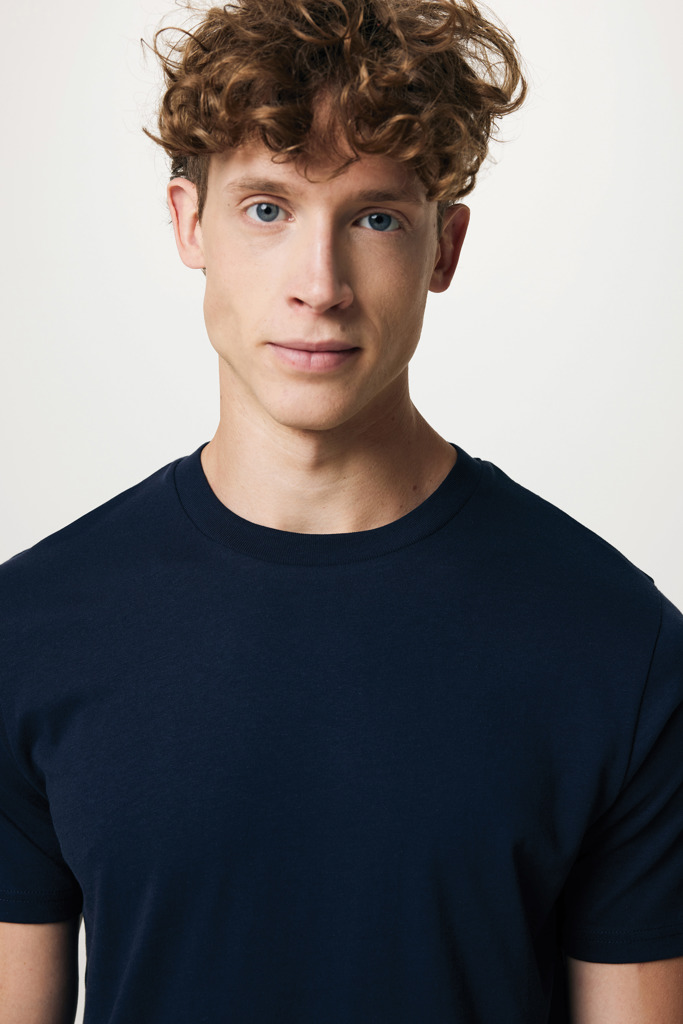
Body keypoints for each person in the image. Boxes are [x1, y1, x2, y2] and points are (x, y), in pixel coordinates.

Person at [1, 0, 682, 1020]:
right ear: (189, 223)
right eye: (266, 209)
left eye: (374, 218)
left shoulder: (618, 649)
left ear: (443, 248)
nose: (318, 287)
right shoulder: (29, 631)